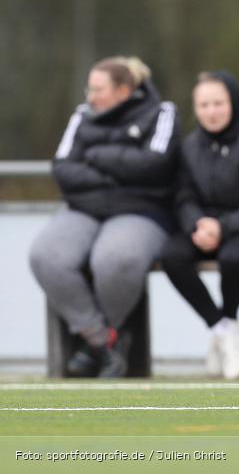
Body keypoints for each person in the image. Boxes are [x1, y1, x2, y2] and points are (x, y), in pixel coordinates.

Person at [30, 56, 179, 377]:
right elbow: (63, 169)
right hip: (84, 207)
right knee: (47, 256)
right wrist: (118, 174)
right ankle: (104, 341)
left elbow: (154, 166)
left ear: (123, 91)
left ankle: (97, 347)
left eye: (98, 89)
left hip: (141, 209)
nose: (90, 96)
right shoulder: (82, 116)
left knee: (114, 260)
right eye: (89, 88)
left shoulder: (161, 113)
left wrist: (97, 157)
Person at [160, 71, 239, 379]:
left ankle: (226, 329)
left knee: (233, 258)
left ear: (234, 102)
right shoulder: (190, 146)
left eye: (218, 103)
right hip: (208, 229)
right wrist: (197, 224)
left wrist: (223, 227)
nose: (211, 111)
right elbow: (183, 196)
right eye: (203, 105)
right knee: (171, 255)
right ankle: (224, 329)